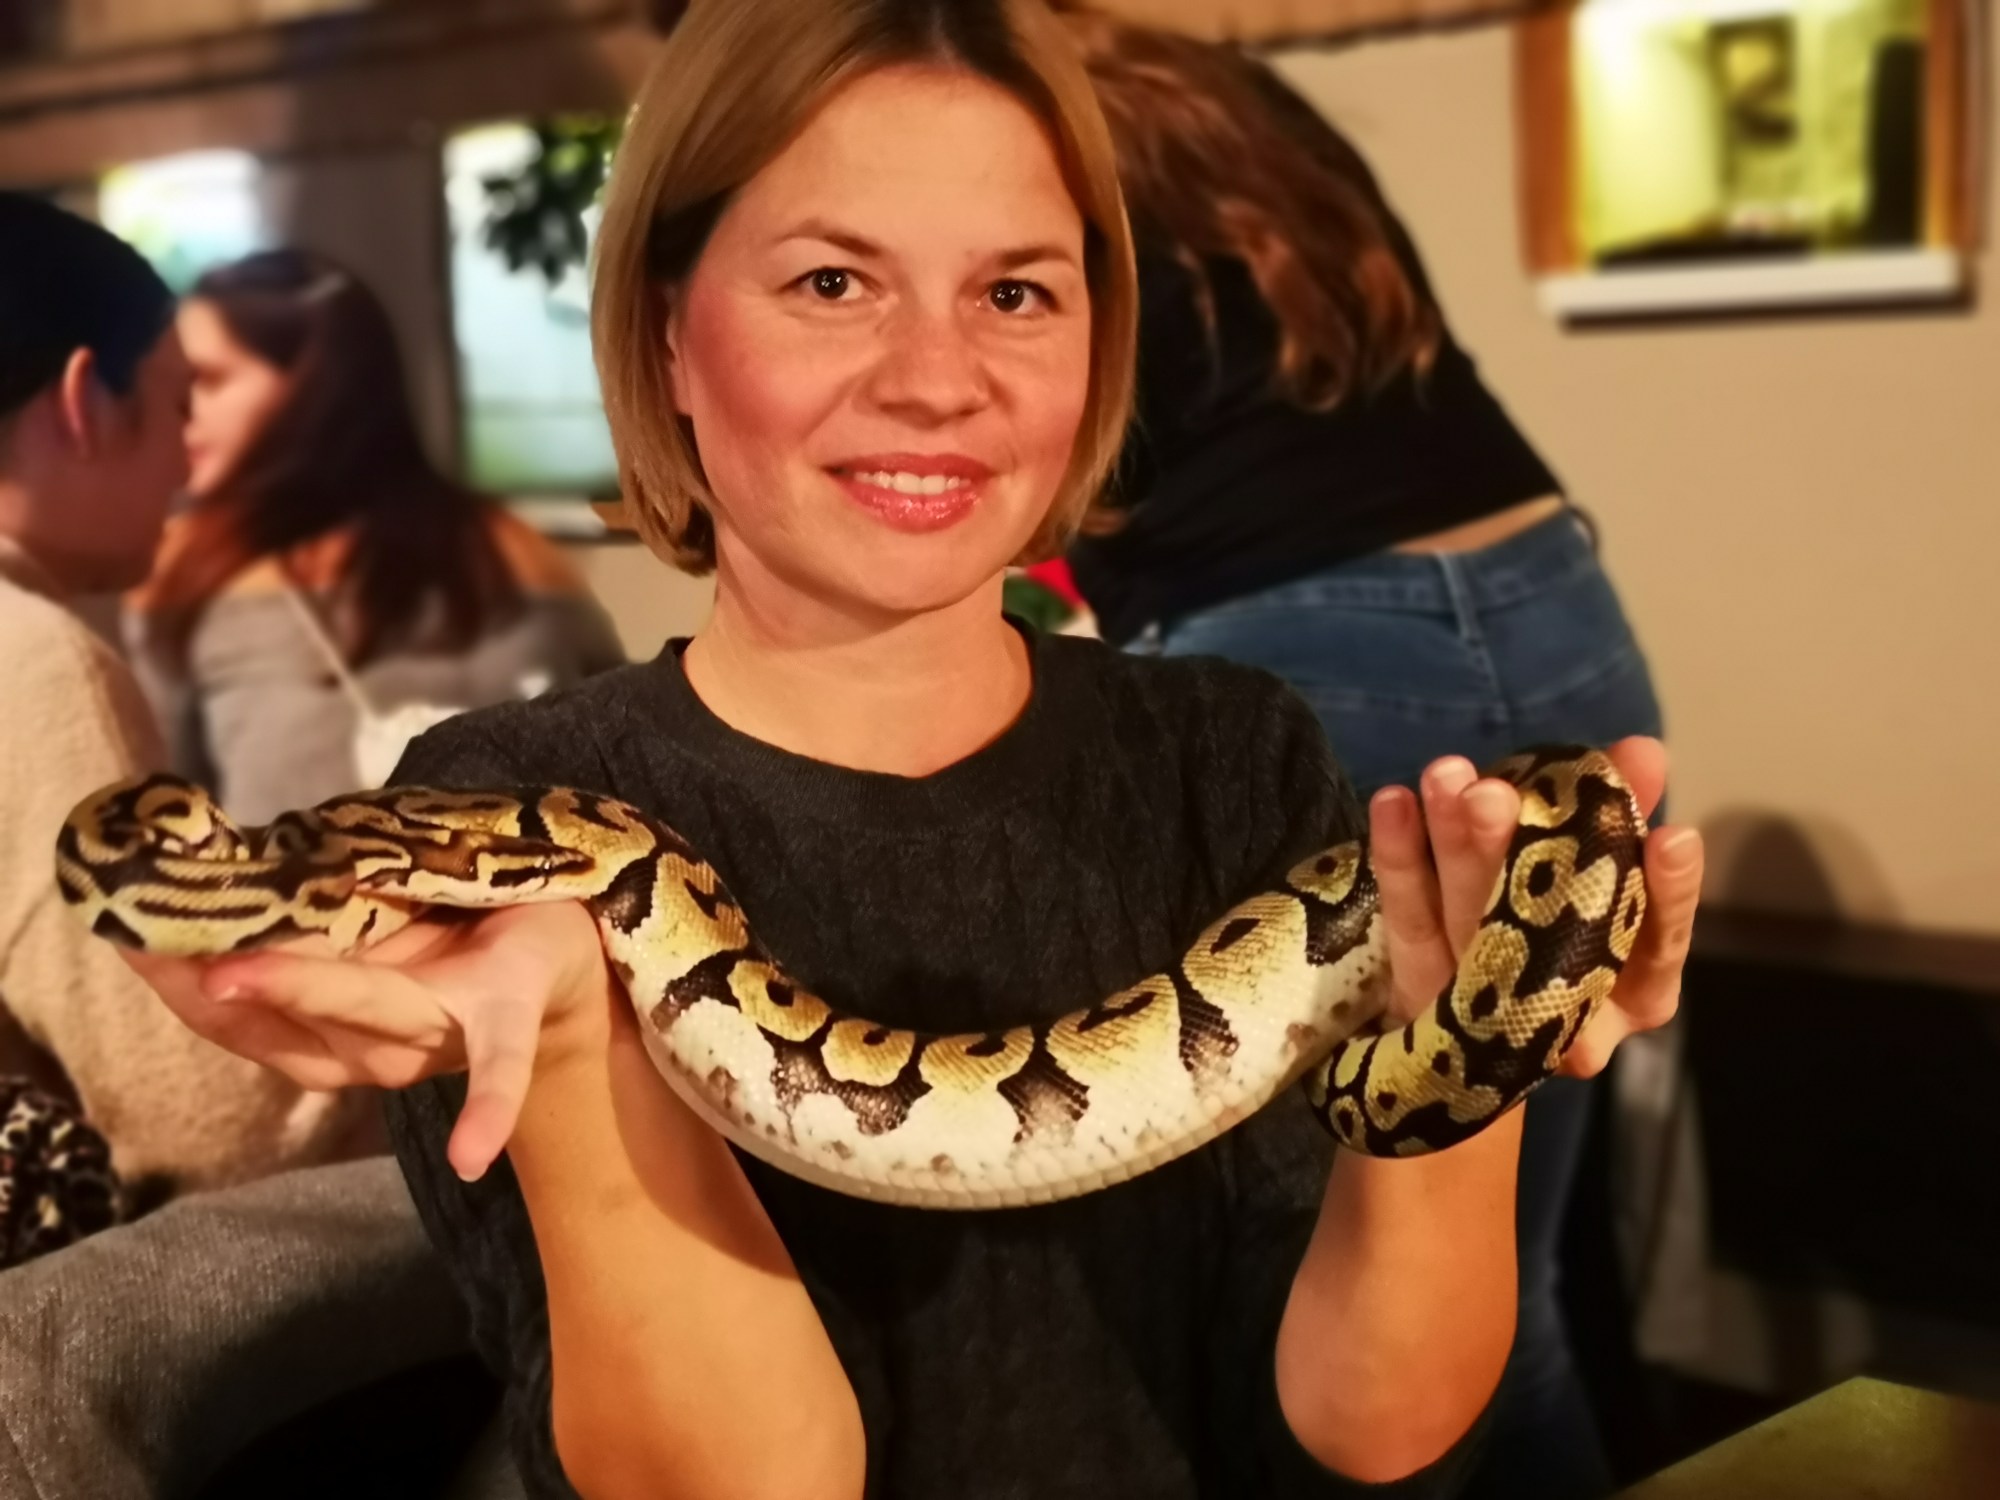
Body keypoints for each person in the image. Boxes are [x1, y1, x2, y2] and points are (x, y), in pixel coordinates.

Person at [115, 2, 1704, 1497]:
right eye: (832, 283)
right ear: (667, 336)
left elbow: (1367, 1437)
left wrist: (1472, 1032)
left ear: (1101, 340)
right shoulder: (488, 813)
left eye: (1016, 293)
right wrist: (579, 1049)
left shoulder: (1229, 753)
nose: (938, 380)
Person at [1057, 14, 1669, 1496]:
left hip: (1300, 640)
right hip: (1548, 597)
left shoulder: (1011, 126)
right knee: (1513, 1245)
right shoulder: (1200, 86)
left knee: (1361, 1286)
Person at [0, 193, 381, 1202]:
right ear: (83, 403)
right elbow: (216, 1132)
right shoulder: (34, 661)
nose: (186, 456)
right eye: (176, 405)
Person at [128, 249, 626, 828]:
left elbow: (157, 820)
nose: (181, 411)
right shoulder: (514, 546)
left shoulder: (185, 566)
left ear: (316, 383)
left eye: (208, 381)